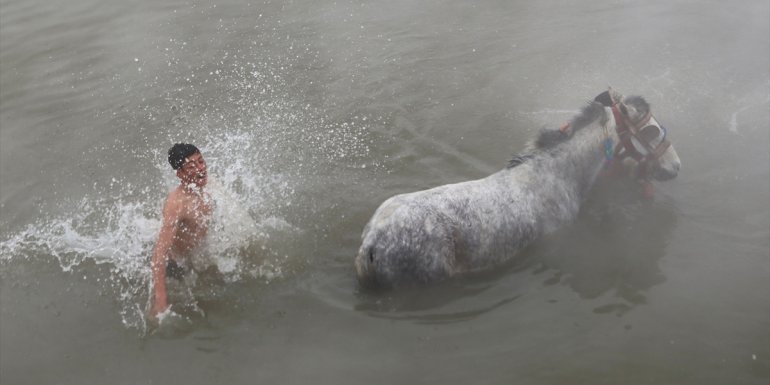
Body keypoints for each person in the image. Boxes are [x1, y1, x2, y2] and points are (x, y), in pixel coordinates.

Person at [150, 143, 213, 318]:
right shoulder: (176, 204)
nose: (201, 169)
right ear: (180, 174)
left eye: (201, 161)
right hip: (174, 265)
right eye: (191, 166)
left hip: (194, 256)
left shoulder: (206, 187)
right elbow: (158, 255)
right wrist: (160, 298)